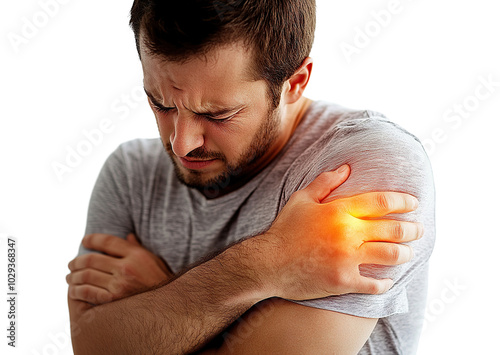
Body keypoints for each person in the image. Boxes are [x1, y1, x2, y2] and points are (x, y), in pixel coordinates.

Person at [66, 0, 435, 354]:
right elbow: (90, 346)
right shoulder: (129, 174)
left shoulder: (367, 162)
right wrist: (268, 263)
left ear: (295, 83)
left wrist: (154, 304)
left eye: (218, 114)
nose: (181, 144)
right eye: (160, 103)